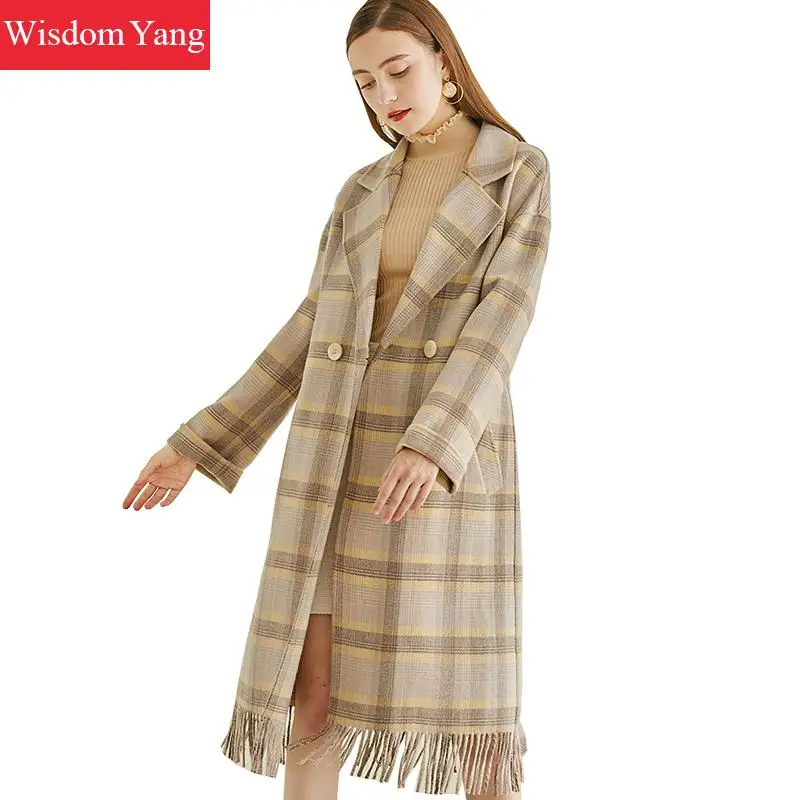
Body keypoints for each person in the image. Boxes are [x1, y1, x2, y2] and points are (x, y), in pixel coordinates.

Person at [122, 1, 551, 797]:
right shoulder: (361, 191)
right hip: (337, 460)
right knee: (310, 696)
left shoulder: (515, 172)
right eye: (364, 82)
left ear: (445, 63)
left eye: (399, 70)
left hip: (441, 461)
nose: (384, 95)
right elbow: (309, 329)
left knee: (472, 719)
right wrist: (198, 443)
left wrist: (432, 443)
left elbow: (504, 317)